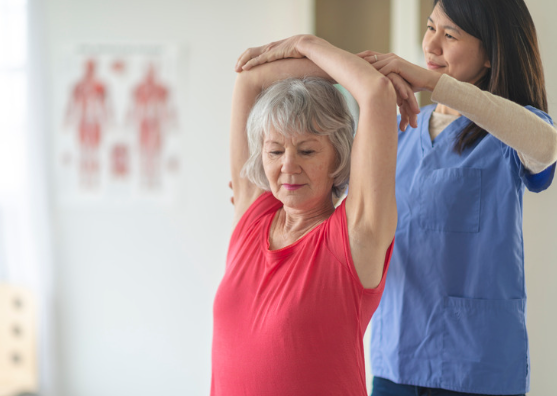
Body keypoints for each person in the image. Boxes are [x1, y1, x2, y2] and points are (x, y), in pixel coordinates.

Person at [235, 1, 557, 395]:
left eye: (450, 35)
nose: (431, 46)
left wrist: (431, 82)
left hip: (478, 365)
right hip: (396, 359)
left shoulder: (509, 136)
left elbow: (547, 145)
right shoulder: (399, 136)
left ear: (491, 53)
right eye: (430, 27)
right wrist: (345, 60)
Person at [212, 36, 416, 396]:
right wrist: (350, 61)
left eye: (307, 150)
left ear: (338, 157)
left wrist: (304, 43)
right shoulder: (252, 216)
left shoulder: (355, 235)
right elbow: (249, 79)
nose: (288, 166)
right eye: (275, 151)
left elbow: (375, 91)